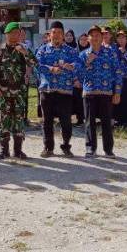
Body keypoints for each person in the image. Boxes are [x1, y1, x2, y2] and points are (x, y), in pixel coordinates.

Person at [0, 22, 38, 160]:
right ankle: (3, 150)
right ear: (6, 34)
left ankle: (18, 150)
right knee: (3, 121)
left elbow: (35, 63)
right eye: (11, 33)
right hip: (3, 93)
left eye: (17, 33)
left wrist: (25, 53)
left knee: (19, 120)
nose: (14, 36)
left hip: (19, 93)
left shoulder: (23, 50)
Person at [35, 21, 81, 157]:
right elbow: (37, 65)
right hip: (47, 90)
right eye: (54, 33)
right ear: (49, 34)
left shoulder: (71, 51)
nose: (56, 35)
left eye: (60, 33)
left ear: (63, 35)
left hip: (64, 91)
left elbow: (78, 63)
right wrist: (50, 68)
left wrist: (71, 66)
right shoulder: (42, 50)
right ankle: (48, 147)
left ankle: (66, 146)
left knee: (66, 121)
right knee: (47, 121)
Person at [79, 25, 122, 158]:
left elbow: (118, 72)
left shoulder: (110, 53)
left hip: (106, 92)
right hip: (89, 92)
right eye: (92, 35)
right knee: (89, 122)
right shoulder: (83, 54)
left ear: (101, 36)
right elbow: (77, 75)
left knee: (107, 122)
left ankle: (108, 149)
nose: (95, 38)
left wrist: (117, 92)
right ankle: (91, 148)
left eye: (98, 35)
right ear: (88, 38)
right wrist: (87, 62)